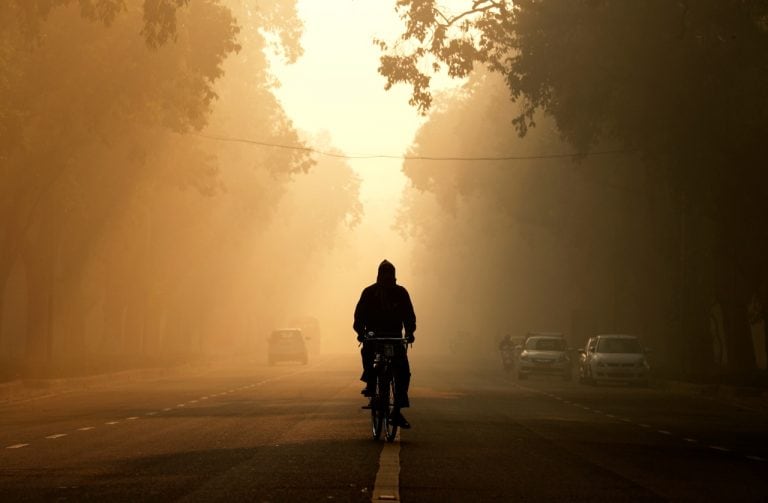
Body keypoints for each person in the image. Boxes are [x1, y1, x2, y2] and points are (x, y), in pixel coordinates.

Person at [353, 259, 416, 429]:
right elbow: (359, 317)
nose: (388, 278)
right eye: (385, 274)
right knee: (368, 354)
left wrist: (410, 333)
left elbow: (409, 316)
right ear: (380, 275)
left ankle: (397, 409)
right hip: (375, 338)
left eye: (390, 274)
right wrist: (361, 333)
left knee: (403, 372)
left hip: (395, 338)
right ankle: (371, 383)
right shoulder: (369, 293)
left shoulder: (401, 293)